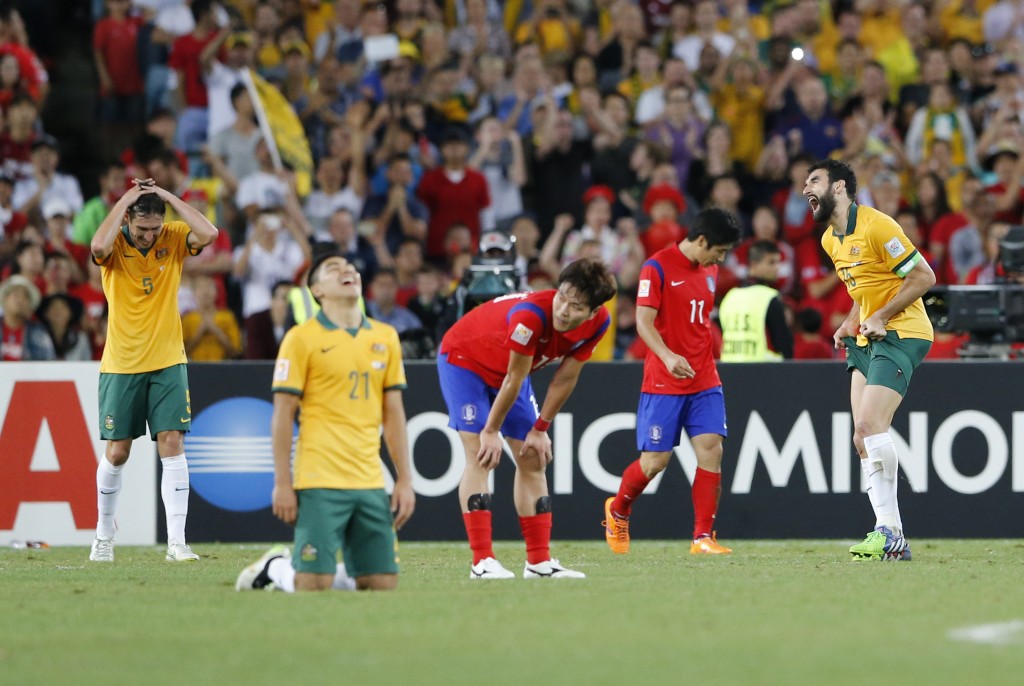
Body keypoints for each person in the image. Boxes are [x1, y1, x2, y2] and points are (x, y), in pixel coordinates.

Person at [235, 251, 415, 592]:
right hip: (318, 478)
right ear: (317, 290)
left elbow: (394, 414)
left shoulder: (385, 336)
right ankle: (277, 567)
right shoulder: (301, 338)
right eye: (334, 269)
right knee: (312, 583)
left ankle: (310, 568)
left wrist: (404, 479)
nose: (347, 270)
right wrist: (283, 482)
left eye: (350, 266)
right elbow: (283, 414)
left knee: (381, 584)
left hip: (369, 480)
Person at [438, 258, 617, 579]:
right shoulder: (530, 317)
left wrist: (541, 428)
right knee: (480, 454)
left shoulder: (600, 323)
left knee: (534, 457)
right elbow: (514, 379)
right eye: (561, 297)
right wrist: (491, 430)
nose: (563, 310)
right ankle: (482, 562)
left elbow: (565, 378)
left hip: (510, 375)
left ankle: (538, 563)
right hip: (465, 360)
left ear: (592, 313)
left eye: (576, 307)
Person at [803, 159, 935, 561]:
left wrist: (881, 316)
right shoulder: (830, 239)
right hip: (867, 335)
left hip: (904, 331)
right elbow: (865, 292)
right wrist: (850, 321)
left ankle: (888, 531)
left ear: (839, 187)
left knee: (870, 424)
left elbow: (924, 277)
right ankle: (891, 535)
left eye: (814, 181)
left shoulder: (878, 225)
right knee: (861, 437)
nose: (806, 189)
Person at [88, 178, 219, 563]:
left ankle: (176, 542)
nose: (148, 236)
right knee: (117, 452)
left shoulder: (173, 237)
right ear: (128, 218)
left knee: (173, 443)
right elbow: (97, 246)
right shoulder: (114, 247)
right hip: (122, 363)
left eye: (154, 229)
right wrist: (127, 197)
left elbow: (209, 232)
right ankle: (103, 536)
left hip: (168, 360)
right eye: (142, 229)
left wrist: (165, 197)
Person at [604, 208, 742, 556]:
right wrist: (667, 356)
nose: (721, 258)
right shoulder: (657, 267)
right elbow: (643, 322)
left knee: (713, 449)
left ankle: (702, 537)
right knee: (655, 462)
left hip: (704, 378)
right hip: (664, 381)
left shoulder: (709, 269)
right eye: (719, 250)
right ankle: (618, 510)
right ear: (700, 240)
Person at [718, 240, 793, 361]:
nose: (777, 268)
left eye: (778, 262)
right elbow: (784, 347)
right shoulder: (770, 297)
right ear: (754, 264)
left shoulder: (730, 297)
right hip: (762, 372)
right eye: (771, 262)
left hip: (730, 370)